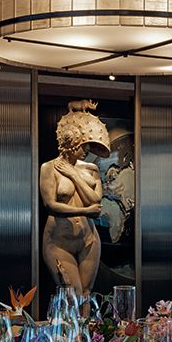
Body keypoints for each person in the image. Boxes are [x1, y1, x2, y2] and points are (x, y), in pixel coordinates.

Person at [39, 100, 110, 295]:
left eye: (88, 146)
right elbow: (50, 205)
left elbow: (95, 202)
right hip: (59, 241)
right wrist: (84, 211)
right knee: (73, 293)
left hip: (88, 239)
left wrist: (74, 175)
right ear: (70, 143)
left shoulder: (90, 169)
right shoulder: (49, 168)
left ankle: (87, 318)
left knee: (86, 293)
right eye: (83, 146)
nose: (86, 151)